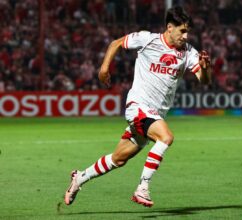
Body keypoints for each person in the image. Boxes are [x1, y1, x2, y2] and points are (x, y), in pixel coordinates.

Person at [64, 6, 212, 207]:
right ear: (170, 27)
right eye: (182, 31)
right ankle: (143, 187)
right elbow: (116, 43)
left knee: (118, 159)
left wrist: (206, 69)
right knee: (166, 137)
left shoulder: (188, 52)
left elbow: (204, 81)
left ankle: (79, 178)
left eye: (188, 32)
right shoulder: (147, 39)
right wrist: (104, 68)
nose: (186, 36)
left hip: (155, 114)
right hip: (139, 106)